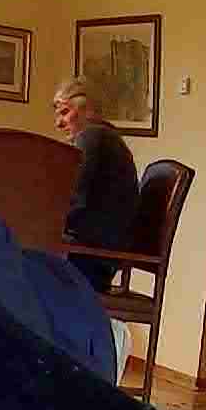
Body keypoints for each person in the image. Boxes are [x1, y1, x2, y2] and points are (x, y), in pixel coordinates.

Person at [54, 78, 140, 293]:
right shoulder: (105, 138)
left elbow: (74, 200)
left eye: (64, 112)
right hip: (97, 259)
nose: (58, 123)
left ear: (88, 110)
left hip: (87, 261)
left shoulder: (93, 137)